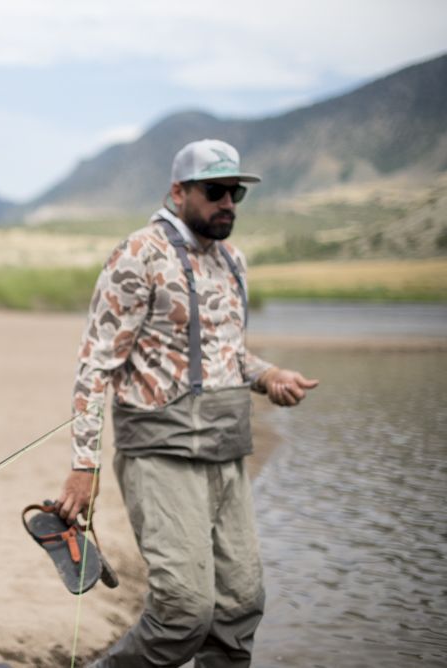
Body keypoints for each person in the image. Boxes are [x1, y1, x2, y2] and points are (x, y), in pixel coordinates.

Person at [56, 139, 319, 667]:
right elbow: (95, 366)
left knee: (240, 609)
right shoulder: (138, 255)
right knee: (183, 614)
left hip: (225, 452)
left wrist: (269, 376)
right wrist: (83, 466)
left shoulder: (232, 260)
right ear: (178, 191)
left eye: (236, 192)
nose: (229, 203)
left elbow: (225, 354)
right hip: (160, 455)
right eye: (216, 190)